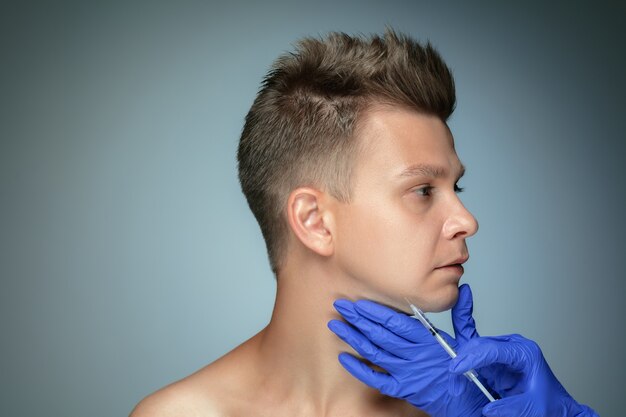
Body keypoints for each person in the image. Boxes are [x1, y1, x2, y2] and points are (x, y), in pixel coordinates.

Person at [129, 30, 598, 416]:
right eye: (422, 191)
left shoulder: (484, 407)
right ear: (315, 221)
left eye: (457, 188)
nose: (466, 221)